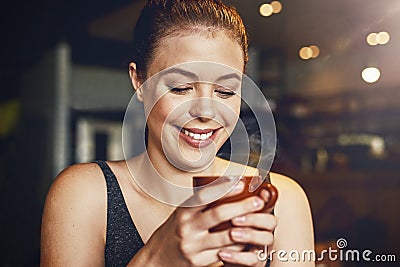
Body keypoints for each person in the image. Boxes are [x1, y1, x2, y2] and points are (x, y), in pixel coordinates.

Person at [40, 0, 314, 266]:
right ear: (139, 81)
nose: (206, 112)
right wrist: (158, 259)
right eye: (181, 88)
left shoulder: (283, 201)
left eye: (226, 91)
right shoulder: (86, 194)